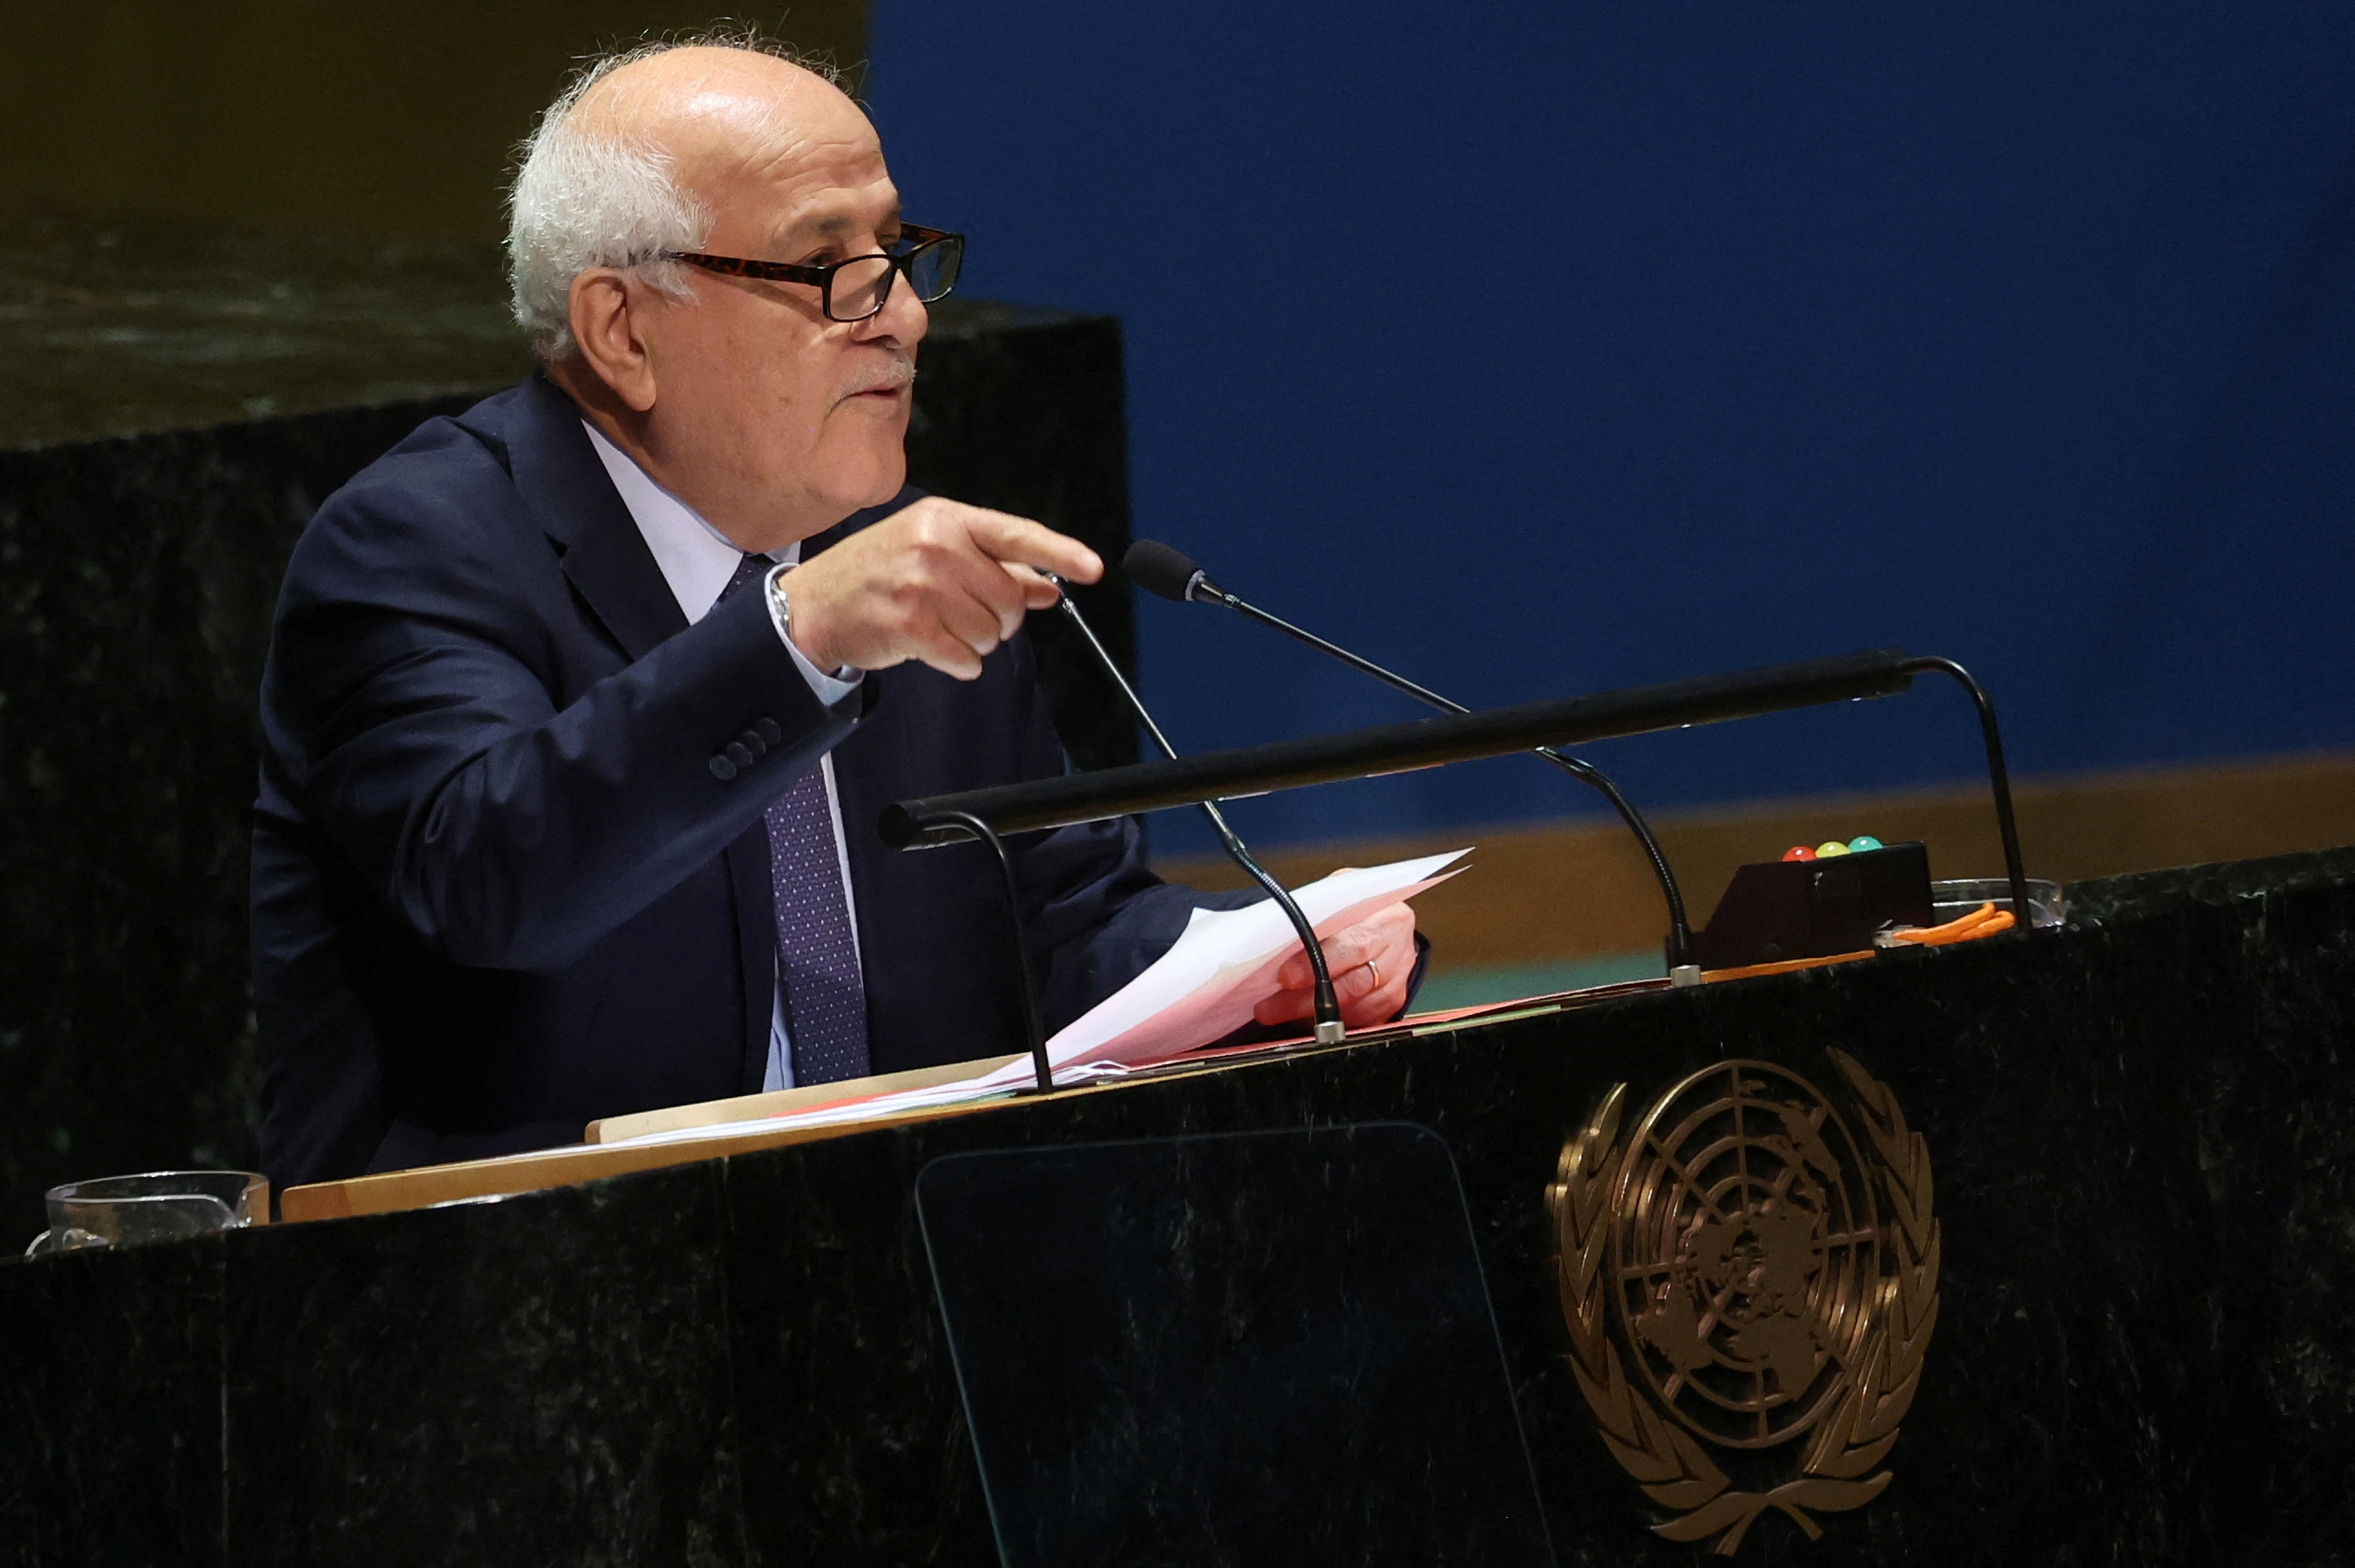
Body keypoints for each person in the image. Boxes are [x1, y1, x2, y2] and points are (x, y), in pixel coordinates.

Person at [250, 34, 1423, 1189]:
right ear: (623, 329)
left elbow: (1059, 930)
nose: (904, 317)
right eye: (828, 272)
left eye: (897, 254)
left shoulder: (886, 551)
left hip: (888, 1288)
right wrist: (795, 639)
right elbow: (492, 874)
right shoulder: (417, 547)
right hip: (528, 1320)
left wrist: (1257, 966)